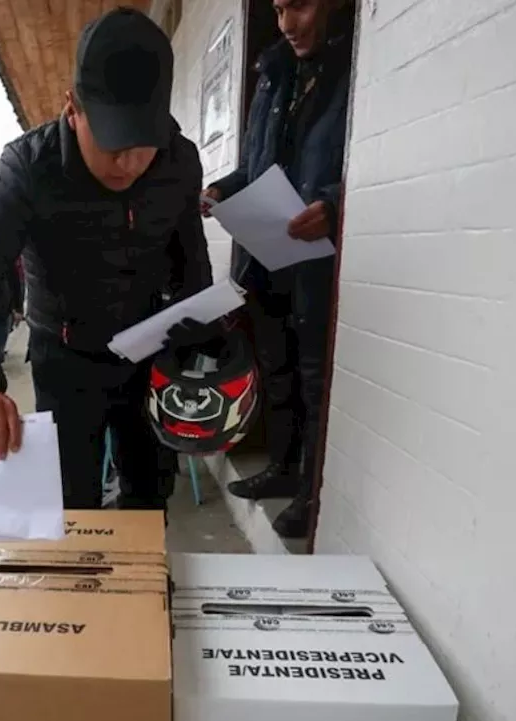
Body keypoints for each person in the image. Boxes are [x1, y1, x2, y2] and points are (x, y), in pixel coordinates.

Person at [0, 8, 212, 511]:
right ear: (72, 108)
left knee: (150, 494)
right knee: (71, 500)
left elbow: (190, 259)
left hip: (147, 350)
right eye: (112, 144)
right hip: (64, 356)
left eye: (142, 146)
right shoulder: (27, 167)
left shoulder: (179, 160)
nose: (128, 164)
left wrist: (196, 348)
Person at [200, 0, 353, 537]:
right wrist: (221, 190)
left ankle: (311, 493)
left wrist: (334, 206)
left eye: (301, 5)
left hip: (317, 261)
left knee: (314, 380)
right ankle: (283, 469)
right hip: (267, 257)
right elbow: (257, 166)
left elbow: (368, 160)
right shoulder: (271, 75)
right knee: (277, 368)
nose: (287, 24)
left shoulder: (351, 69)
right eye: (279, 8)